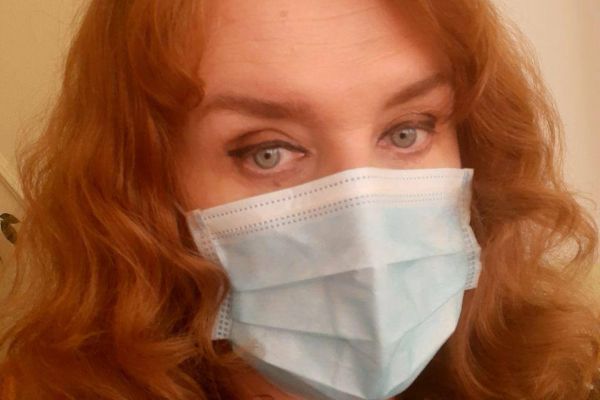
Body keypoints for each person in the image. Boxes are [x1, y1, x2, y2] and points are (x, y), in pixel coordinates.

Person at [0, 0, 598, 399]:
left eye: (407, 131)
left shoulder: (561, 371)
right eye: (267, 152)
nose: (364, 236)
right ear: (146, 188)